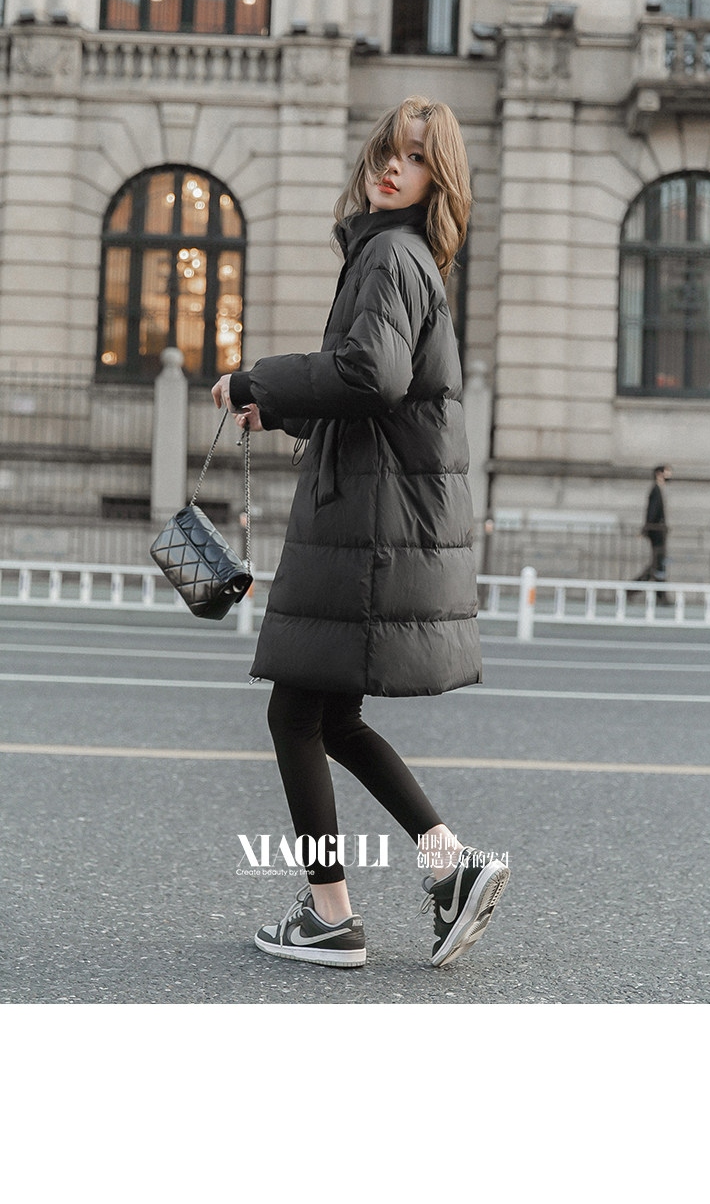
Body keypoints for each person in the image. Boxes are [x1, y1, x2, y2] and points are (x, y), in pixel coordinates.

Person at [211, 95, 509, 969]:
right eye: (387, 149)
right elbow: (377, 400)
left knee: (296, 713)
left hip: (367, 524)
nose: (392, 166)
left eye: (414, 158)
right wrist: (281, 409)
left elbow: (370, 375)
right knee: (330, 716)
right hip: (375, 514)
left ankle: (332, 914)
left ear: (436, 180)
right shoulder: (402, 256)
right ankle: (448, 864)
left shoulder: (389, 254)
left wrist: (255, 377)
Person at [630, 465, 672, 604]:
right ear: (659, 474)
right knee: (656, 565)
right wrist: (646, 529)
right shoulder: (655, 490)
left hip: (659, 533)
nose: (669, 475)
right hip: (656, 534)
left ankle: (661, 596)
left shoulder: (658, 490)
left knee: (658, 565)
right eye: (667, 472)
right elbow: (652, 513)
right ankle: (630, 590)